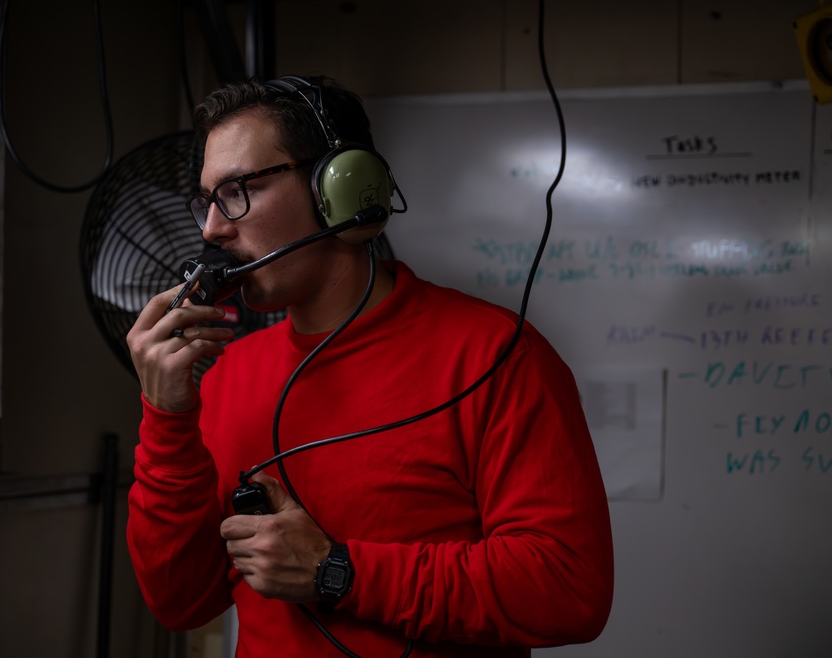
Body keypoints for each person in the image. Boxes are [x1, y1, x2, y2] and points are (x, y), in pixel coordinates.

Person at [126, 74, 613, 658]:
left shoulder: (497, 356)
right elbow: (181, 602)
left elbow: (569, 591)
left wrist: (339, 572)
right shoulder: (226, 374)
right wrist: (166, 420)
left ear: (339, 188)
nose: (212, 229)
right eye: (206, 202)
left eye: (237, 191)